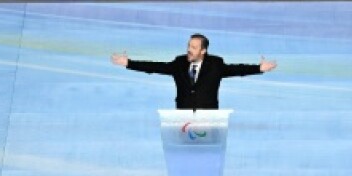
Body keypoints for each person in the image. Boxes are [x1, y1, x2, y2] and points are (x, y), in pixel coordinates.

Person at [111, 34, 277, 111]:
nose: (189, 50)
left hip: (208, 120)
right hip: (182, 118)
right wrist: (129, 63)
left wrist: (258, 68)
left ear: (203, 50)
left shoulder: (215, 64)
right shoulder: (179, 63)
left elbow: (237, 69)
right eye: (189, 46)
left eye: (194, 47)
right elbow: (156, 67)